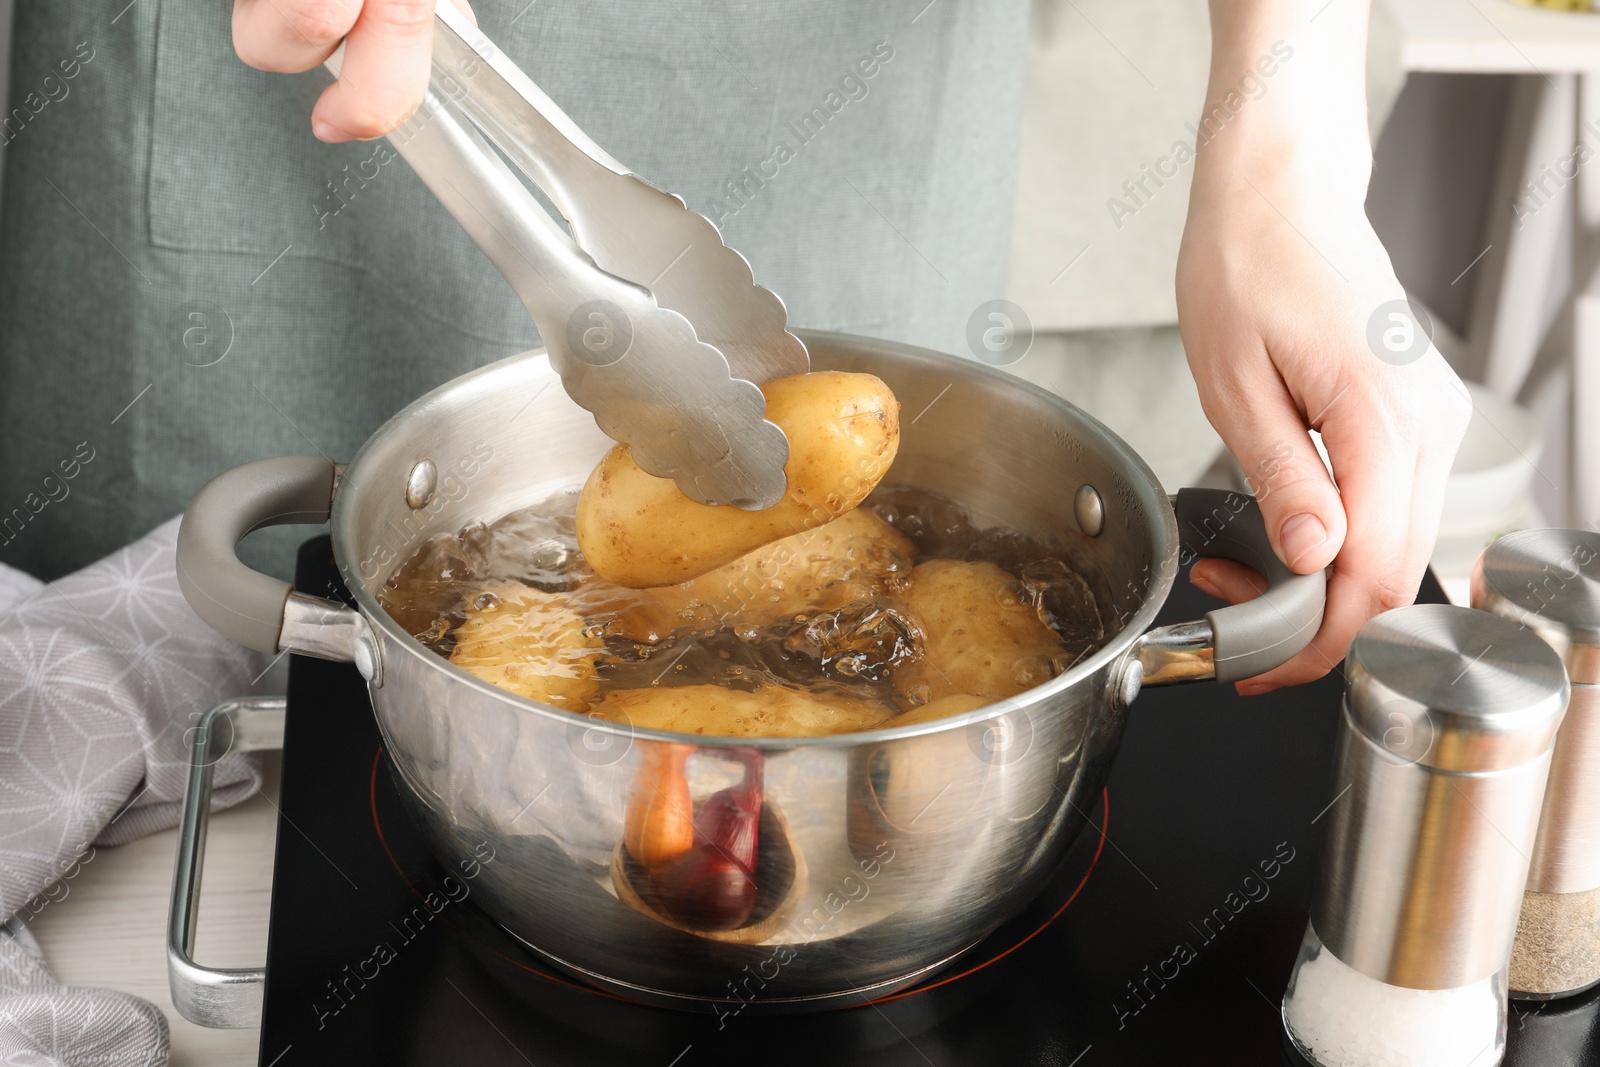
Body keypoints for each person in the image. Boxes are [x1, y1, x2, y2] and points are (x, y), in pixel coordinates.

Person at [0, 0, 1468, 693]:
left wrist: (1282, 150)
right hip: (247, 101)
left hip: (848, 77)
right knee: (139, 680)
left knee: (851, 437)